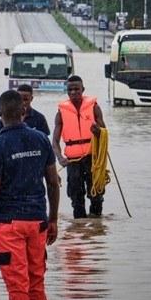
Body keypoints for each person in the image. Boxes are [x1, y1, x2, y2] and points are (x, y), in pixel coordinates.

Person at [0, 89, 60, 300]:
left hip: (10, 224)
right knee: (36, 281)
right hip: (38, 221)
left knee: (17, 285)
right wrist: (52, 220)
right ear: (24, 110)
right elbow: (53, 184)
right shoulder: (40, 139)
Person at [52, 75, 106, 219]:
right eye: (70, 90)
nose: (73, 92)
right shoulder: (61, 112)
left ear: (83, 89)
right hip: (73, 161)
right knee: (76, 196)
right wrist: (60, 158)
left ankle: (96, 225)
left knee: (96, 194)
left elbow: (104, 132)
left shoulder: (94, 107)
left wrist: (98, 131)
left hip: (93, 158)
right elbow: (55, 141)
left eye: (76, 89)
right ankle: (79, 226)